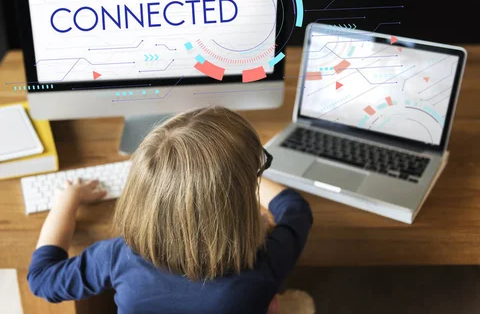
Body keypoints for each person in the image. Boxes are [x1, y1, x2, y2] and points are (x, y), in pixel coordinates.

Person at [27, 106, 314, 313]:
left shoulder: (120, 257)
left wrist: (67, 200)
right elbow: (295, 209)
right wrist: (242, 176)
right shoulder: (263, 266)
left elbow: (42, 279)